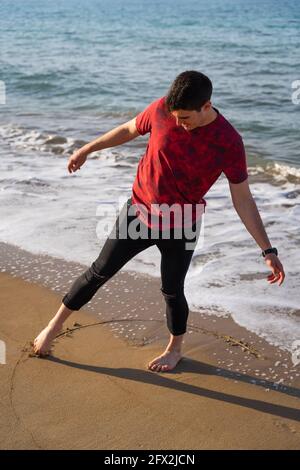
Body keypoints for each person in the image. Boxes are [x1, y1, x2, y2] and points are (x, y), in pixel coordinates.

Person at [33, 70, 285, 372]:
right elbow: (129, 129)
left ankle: (174, 349)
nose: (179, 123)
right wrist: (88, 149)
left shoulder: (228, 142)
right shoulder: (163, 108)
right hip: (138, 212)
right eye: (176, 117)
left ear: (206, 106)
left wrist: (267, 250)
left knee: (172, 291)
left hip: (182, 224)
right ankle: (53, 326)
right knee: (99, 271)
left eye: (186, 118)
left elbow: (242, 199)